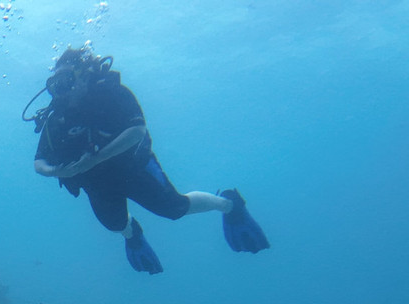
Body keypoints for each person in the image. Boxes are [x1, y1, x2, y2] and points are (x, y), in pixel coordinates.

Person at [29, 46, 270, 274]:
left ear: (84, 76)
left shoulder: (114, 95)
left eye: (67, 80)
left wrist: (95, 160)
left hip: (133, 168)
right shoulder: (56, 119)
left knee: (174, 209)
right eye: (55, 83)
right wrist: (55, 172)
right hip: (96, 183)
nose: (61, 89)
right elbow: (39, 161)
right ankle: (132, 233)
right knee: (115, 225)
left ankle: (229, 204)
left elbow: (137, 131)